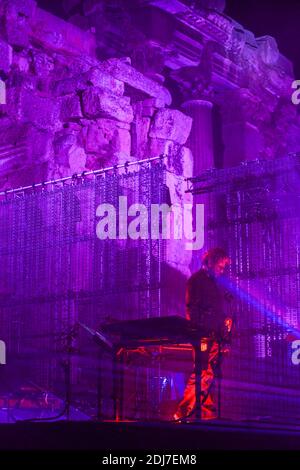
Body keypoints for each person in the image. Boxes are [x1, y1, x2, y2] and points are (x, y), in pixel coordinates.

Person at [173, 247, 233, 421]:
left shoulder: (216, 283)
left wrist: (224, 330)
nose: (222, 271)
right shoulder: (196, 281)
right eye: (220, 267)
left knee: (208, 375)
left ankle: (207, 413)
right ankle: (182, 412)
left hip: (215, 335)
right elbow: (192, 309)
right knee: (201, 373)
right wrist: (198, 333)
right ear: (211, 262)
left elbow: (219, 310)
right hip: (202, 335)